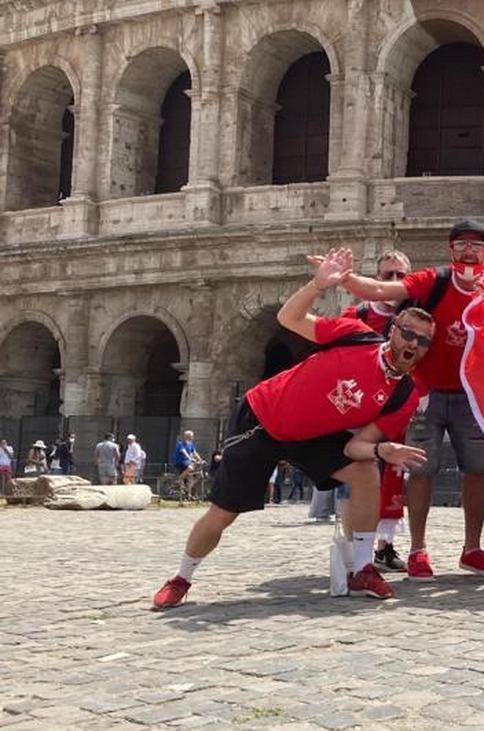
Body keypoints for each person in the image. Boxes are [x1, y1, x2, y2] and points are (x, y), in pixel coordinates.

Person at [151, 248, 431, 610]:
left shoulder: (404, 394)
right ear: (394, 331)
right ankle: (181, 577)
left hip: (313, 435)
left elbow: (355, 448)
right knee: (223, 512)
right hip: (264, 419)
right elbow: (290, 317)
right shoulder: (356, 334)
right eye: (409, 334)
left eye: (423, 341)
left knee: (365, 472)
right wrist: (317, 285)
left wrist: (381, 451)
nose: (413, 343)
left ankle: (362, 569)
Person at [339, 218, 484, 579]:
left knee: (478, 471)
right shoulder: (433, 280)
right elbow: (383, 291)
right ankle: (418, 549)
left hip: (471, 394)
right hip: (425, 393)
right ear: (450, 250)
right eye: (461, 245)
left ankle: (473, 548)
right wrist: (344, 279)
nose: (468, 251)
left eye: (477, 246)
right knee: (420, 471)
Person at [340, 250, 415, 572]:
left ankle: (385, 545)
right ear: (376, 278)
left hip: (397, 407)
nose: (395, 282)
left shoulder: (416, 318)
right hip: (362, 407)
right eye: (388, 275)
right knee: (360, 474)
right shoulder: (356, 313)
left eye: (401, 276)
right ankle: (356, 547)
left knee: (395, 477)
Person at [172, 430, 205, 501]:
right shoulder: (181, 444)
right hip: (180, 462)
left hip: (187, 462)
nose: (193, 437)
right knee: (191, 467)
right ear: (187, 436)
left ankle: (188, 495)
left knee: (191, 477)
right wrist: (190, 458)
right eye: (191, 436)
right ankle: (179, 479)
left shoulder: (191, 444)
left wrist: (201, 460)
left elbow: (195, 452)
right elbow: (184, 452)